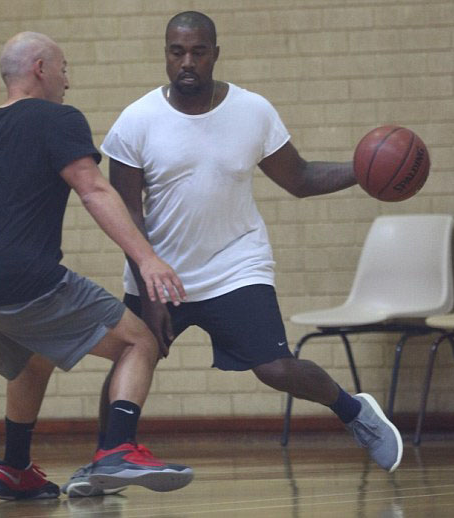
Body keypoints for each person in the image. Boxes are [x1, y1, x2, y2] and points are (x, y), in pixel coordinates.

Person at [62, 11, 403, 495]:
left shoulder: (252, 110)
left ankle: (355, 412)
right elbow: (128, 217)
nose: (187, 62)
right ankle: (107, 459)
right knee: (133, 356)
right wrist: (149, 288)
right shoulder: (135, 122)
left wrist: (363, 171)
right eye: (176, 51)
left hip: (236, 265)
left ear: (215, 55)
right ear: (165, 54)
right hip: (161, 271)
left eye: (198, 52)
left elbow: (300, 179)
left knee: (276, 370)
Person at [0, 31, 194, 501]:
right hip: (25, 278)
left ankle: (13, 468)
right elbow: (93, 190)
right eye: (65, 69)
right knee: (138, 341)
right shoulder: (57, 118)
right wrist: (147, 259)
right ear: (41, 68)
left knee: (31, 359)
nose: (69, 81)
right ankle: (118, 450)